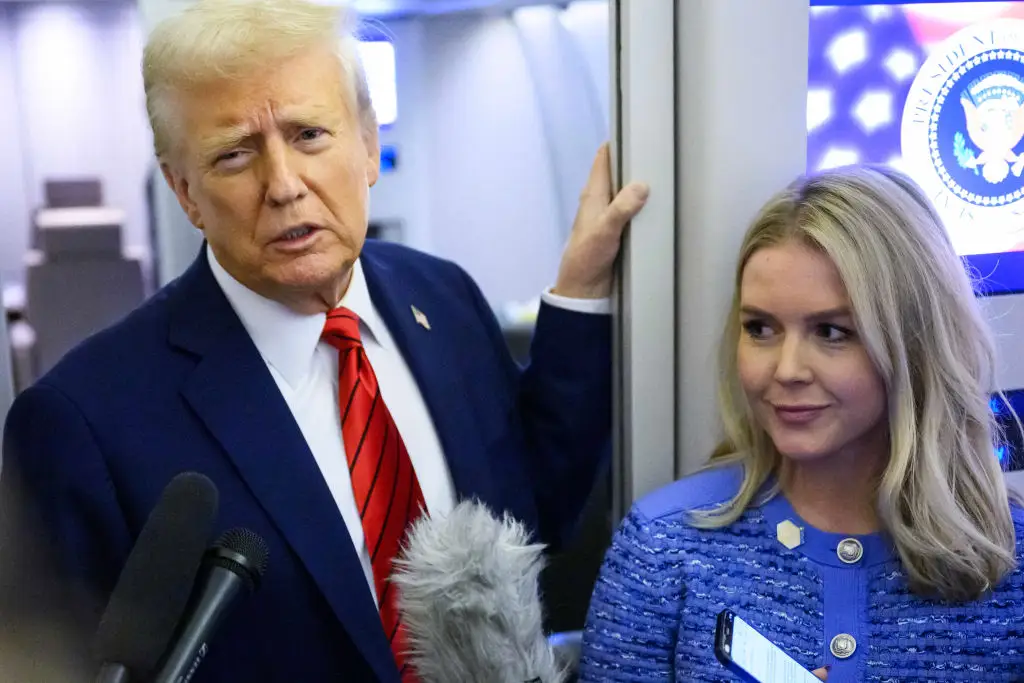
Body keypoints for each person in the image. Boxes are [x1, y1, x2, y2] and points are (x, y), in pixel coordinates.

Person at [0, 0, 649, 681]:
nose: (283, 185)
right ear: (184, 191)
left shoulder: (443, 299)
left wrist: (580, 294)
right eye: (234, 154)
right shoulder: (83, 423)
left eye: (309, 134)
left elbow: (531, 511)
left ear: (367, 144)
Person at [578, 165, 1024, 682]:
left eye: (832, 331)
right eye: (760, 328)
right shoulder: (663, 547)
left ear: (916, 343)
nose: (786, 370)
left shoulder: (1010, 563)